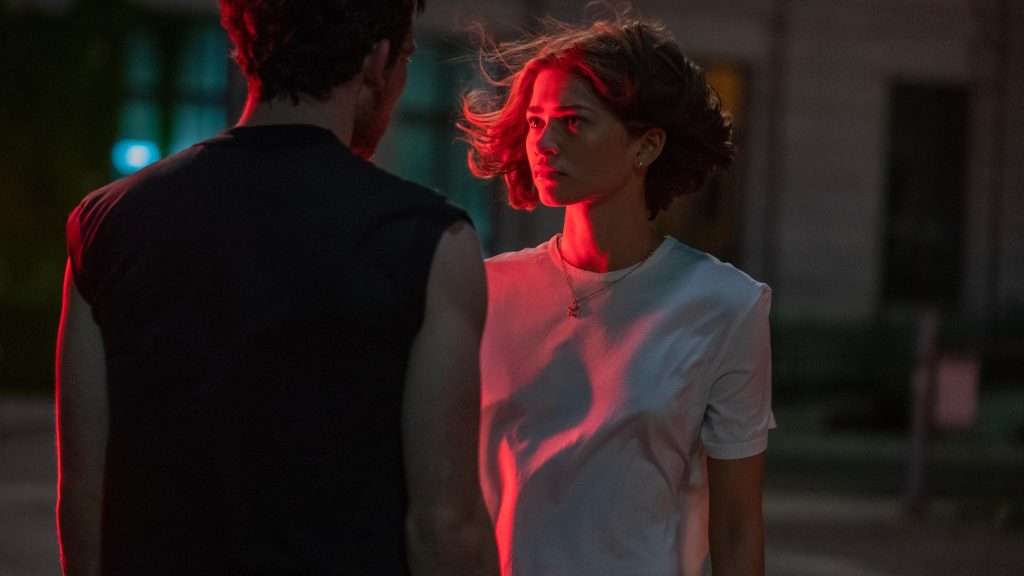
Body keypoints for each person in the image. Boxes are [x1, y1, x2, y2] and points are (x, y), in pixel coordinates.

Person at [55, 1, 499, 575]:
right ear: (377, 58)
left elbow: (85, 497)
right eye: (408, 57)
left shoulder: (105, 222)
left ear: (249, 46)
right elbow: (445, 523)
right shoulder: (428, 240)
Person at [460, 17, 773, 576]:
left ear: (645, 146)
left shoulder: (726, 305)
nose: (545, 143)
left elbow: (737, 525)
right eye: (536, 122)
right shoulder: (485, 290)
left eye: (573, 122)